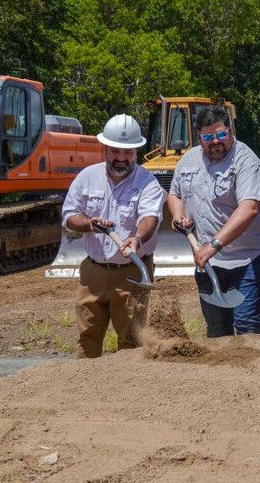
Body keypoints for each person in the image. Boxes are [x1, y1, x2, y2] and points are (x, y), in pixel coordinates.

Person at [61, 114, 165, 358]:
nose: (121, 158)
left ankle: (127, 393)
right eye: (115, 151)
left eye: (128, 152)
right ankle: (85, 388)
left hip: (131, 273)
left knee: (131, 341)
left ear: (137, 152)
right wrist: (89, 224)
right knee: (87, 339)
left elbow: (150, 217)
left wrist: (137, 239)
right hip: (93, 273)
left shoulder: (148, 182)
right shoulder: (87, 177)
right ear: (105, 149)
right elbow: (69, 216)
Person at [167, 104, 260, 337]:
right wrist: (178, 214)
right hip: (208, 261)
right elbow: (174, 194)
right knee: (216, 329)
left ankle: (256, 370)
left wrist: (214, 245)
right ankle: (222, 373)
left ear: (230, 131)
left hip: (247, 258)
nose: (215, 141)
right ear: (199, 137)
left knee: (246, 323)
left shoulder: (245, 161)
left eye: (221, 134)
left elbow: (250, 208)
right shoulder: (188, 160)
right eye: (207, 137)